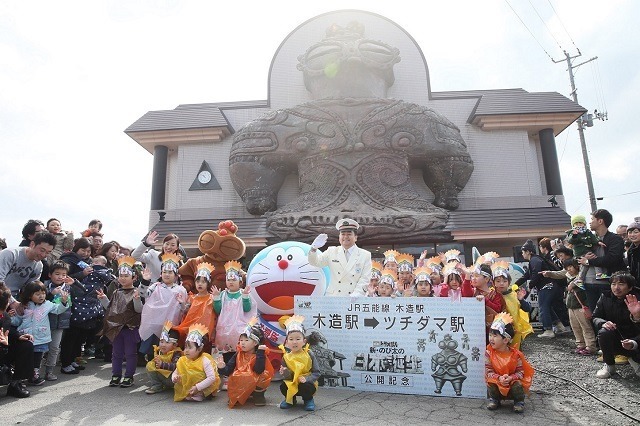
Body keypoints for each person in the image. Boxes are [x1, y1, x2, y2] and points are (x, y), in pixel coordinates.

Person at [11, 280, 70, 385]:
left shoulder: (47, 304)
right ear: (29, 295)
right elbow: (17, 320)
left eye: (43, 293)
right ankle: (21, 377)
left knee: (38, 357)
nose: (41, 296)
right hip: (26, 337)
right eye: (37, 294)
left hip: (41, 337)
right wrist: (11, 317)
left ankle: (34, 375)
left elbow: (58, 310)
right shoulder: (23, 306)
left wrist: (64, 302)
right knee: (25, 357)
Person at [97, 256, 143, 388]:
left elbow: (138, 310)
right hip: (116, 328)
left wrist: (137, 300)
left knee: (130, 353)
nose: (122, 278)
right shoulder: (117, 292)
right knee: (116, 353)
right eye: (120, 275)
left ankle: (129, 376)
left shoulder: (136, 292)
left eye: (126, 275)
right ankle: (116, 374)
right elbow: (110, 308)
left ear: (134, 277)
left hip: (130, 328)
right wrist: (103, 299)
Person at [544, 258, 597, 355]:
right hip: (571, 306)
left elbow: (580, 281)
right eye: (567, 267)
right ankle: (581, 345)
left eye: (571, 266)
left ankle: (591, 346)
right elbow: (558, 274)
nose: (569, 269)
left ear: (576, 266)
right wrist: (549, 273)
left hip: (581, 305)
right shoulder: (568, 275)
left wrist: (573, 285)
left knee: (586, 327)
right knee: (575, 327)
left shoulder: (582, 276)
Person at [578, 209, 627, 313]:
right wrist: (583, 257)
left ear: (600, 221)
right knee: (595, 317)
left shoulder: (615, 239)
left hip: (608, 283)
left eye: (592, 219)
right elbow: (577, 256)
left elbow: (612, 259)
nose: (590, 222)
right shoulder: (586, 238)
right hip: (588, 283)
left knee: (611, 315)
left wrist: (589, 262)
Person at [217, 318, 274, 407]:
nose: (242, 343)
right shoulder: (237, 354)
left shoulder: (260, 354)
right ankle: (239, 394)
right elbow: (228, 370)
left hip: (256, 381)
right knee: (235, 375)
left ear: (255, 343)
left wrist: (260, 354)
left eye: (246, 340)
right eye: (241, 340)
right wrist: (221, 368)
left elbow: (259, 370)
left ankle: (258, 395)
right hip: (241, 381)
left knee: (262, 376)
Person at [592, 272, 640, 378]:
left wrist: (637, 317)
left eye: (621, 284)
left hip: (636, 339)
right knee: (604, 332)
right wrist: (603, 323)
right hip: (617, 337)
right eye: (613, 284)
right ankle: (609, 365)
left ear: (630, 287)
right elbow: (595, 317)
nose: (616, 288)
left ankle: (635, 360)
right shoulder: (605, 297)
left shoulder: (637, 299)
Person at [516, 239, 566, 338]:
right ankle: (559, 326)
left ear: (528, 251)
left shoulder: (535, 260)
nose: (522, 254)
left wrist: (530, 286)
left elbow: (536, 273)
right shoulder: (535, 259)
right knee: (547, 307)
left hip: (547, 286)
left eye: (523, 252)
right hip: (551, 286)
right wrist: (515, 285)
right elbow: (526, 276)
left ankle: (548, 330)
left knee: (543, 307)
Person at [308, 218, 372, 296]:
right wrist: (313, 249)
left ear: (355, 237)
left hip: (354, 298)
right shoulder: (331, 251)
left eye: (349, 234)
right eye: (343, 234)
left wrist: (357, 293)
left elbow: (365, 278)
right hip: (334, 298)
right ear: (339, 237)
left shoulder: (365, 255)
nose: (345, 237)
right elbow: (315, 262)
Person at [485, 313, 534, 413]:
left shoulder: (516, 354)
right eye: (490, 335)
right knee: (490, 382)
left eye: (495, 336)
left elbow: (521, 373)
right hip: (498, 380)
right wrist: (499, 378)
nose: (491, 338)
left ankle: (519, 401)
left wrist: (511, 378)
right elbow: (488, 371)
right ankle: (494, 400)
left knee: (517, 385)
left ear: (505, 340)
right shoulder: (488, 353)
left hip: (511, 382)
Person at [212, 261, 257, 363]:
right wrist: (216, 298)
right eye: (229, 280)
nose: (231, 282)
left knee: (239, 351)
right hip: (224, 328)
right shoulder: (223, 294)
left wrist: (245, 296)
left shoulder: (243, 293)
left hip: (239, 327)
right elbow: (218, 310)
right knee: (224, 353)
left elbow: (247, 309)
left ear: (240, 282)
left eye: (234, 280)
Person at [278, 315, 320, 411]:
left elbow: (317, 372)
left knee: (306, 387)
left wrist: (307, 379)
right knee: (284, 386)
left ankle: (308, 399)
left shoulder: (309, 354)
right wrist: (284, 372)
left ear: (304, 341)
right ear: (287, 342)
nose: (294, 342)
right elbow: (287, 377)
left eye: (298, 339)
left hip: (306, 382)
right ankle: (290, 399)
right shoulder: (286, 356)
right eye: (291, 339)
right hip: (293, 382)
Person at [0, 282, 34, 398]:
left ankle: (16, 383)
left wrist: (18, 336)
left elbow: (9, 330)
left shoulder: (5, 316)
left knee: (26, 345)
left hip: (3, 347)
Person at [0, 231, 56, 300]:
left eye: (48, 252)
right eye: (42, 250)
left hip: (14, 298)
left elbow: (30, 290)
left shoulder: (38, 266)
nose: (43, 255)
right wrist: (13, 302)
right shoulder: (10, 254)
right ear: (32, 244)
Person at [172, 323, 220, 402]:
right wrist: (174, 378)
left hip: (203, 387)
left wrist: (198, 387)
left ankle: (200, 393)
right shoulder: (182, 360)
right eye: (185, 347)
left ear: (199, 349)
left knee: (196, 374)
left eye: (190, 347)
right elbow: (175, 372)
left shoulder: (204, 360)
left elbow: (211, 378)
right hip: (190, 387)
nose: (186, 350)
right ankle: (190, 392)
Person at [43, 261, 74, 380]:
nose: (60, 277)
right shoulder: (44, 286)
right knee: (41, 348)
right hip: (44, 322)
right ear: (50, 274)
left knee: (55, 347)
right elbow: (39, 300)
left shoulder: (68, 287)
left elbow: (72, 302)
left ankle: (49, 371)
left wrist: (73, 285)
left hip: (60, 323)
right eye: (57, 274)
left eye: (63, 274)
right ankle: (35, 371)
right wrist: (50, 294)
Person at [174, 262, 216, 346]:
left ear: (208, 284)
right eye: (198, 281)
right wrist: (182, 304)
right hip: (191, 330)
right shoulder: (191, 298)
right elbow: (185, 311)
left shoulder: (212, 298)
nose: (200, 284)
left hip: (206, 331)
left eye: (203, 282)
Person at [491, 262, 532, 349]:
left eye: (504, 281)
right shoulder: (491, 294)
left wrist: (521, 300)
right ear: (493, 282)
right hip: (495, 331)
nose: (501, 284)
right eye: (498, 281)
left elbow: (527, 309)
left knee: (514, 354)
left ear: (509, 282)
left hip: (514, 331)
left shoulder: (514, 295)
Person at [145, 321, 183, 394]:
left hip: (173, 380)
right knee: (150, 365)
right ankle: (157, 385)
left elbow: (176, 366)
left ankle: (169, 386)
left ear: (175, 345)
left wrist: (162, 364)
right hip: (164, 378)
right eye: (161, 341)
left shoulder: (176, 353)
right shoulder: (158, 350)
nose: (163, 345)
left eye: (167, 342)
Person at [471, 263, 506, 337]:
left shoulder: (495, 294)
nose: (473, 278)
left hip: (491, 331)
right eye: (472, 276)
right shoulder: (472, 292)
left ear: (486, 279)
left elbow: (497, 309)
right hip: (473, 329)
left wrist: (485, 300)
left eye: (477, 276)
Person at [566, 214, 604, 280]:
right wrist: (574, 235)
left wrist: (598, 242)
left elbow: (593, 238)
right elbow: (571, 241)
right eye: (576, 223)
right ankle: (599, 274)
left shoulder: (587, 231)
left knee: (585, 264)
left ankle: (580, 279)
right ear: (573, 225)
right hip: (580, 251)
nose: (578, 225)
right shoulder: (573, 232)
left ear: (584, 224)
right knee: (594, 258)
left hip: (587, 250)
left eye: (580, 223)